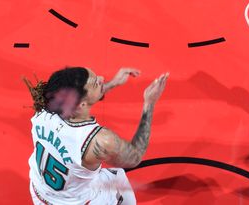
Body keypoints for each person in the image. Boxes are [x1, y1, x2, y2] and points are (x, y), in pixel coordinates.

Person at [26, 67, 169, 205]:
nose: (101, 78)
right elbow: (135, 157)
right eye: (96, 82)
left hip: (40, 194)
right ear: (81, 105)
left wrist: (113, 83)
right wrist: (149, 104)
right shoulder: (99, 141)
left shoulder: (43, 109)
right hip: (78, 202)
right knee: (117, 179)